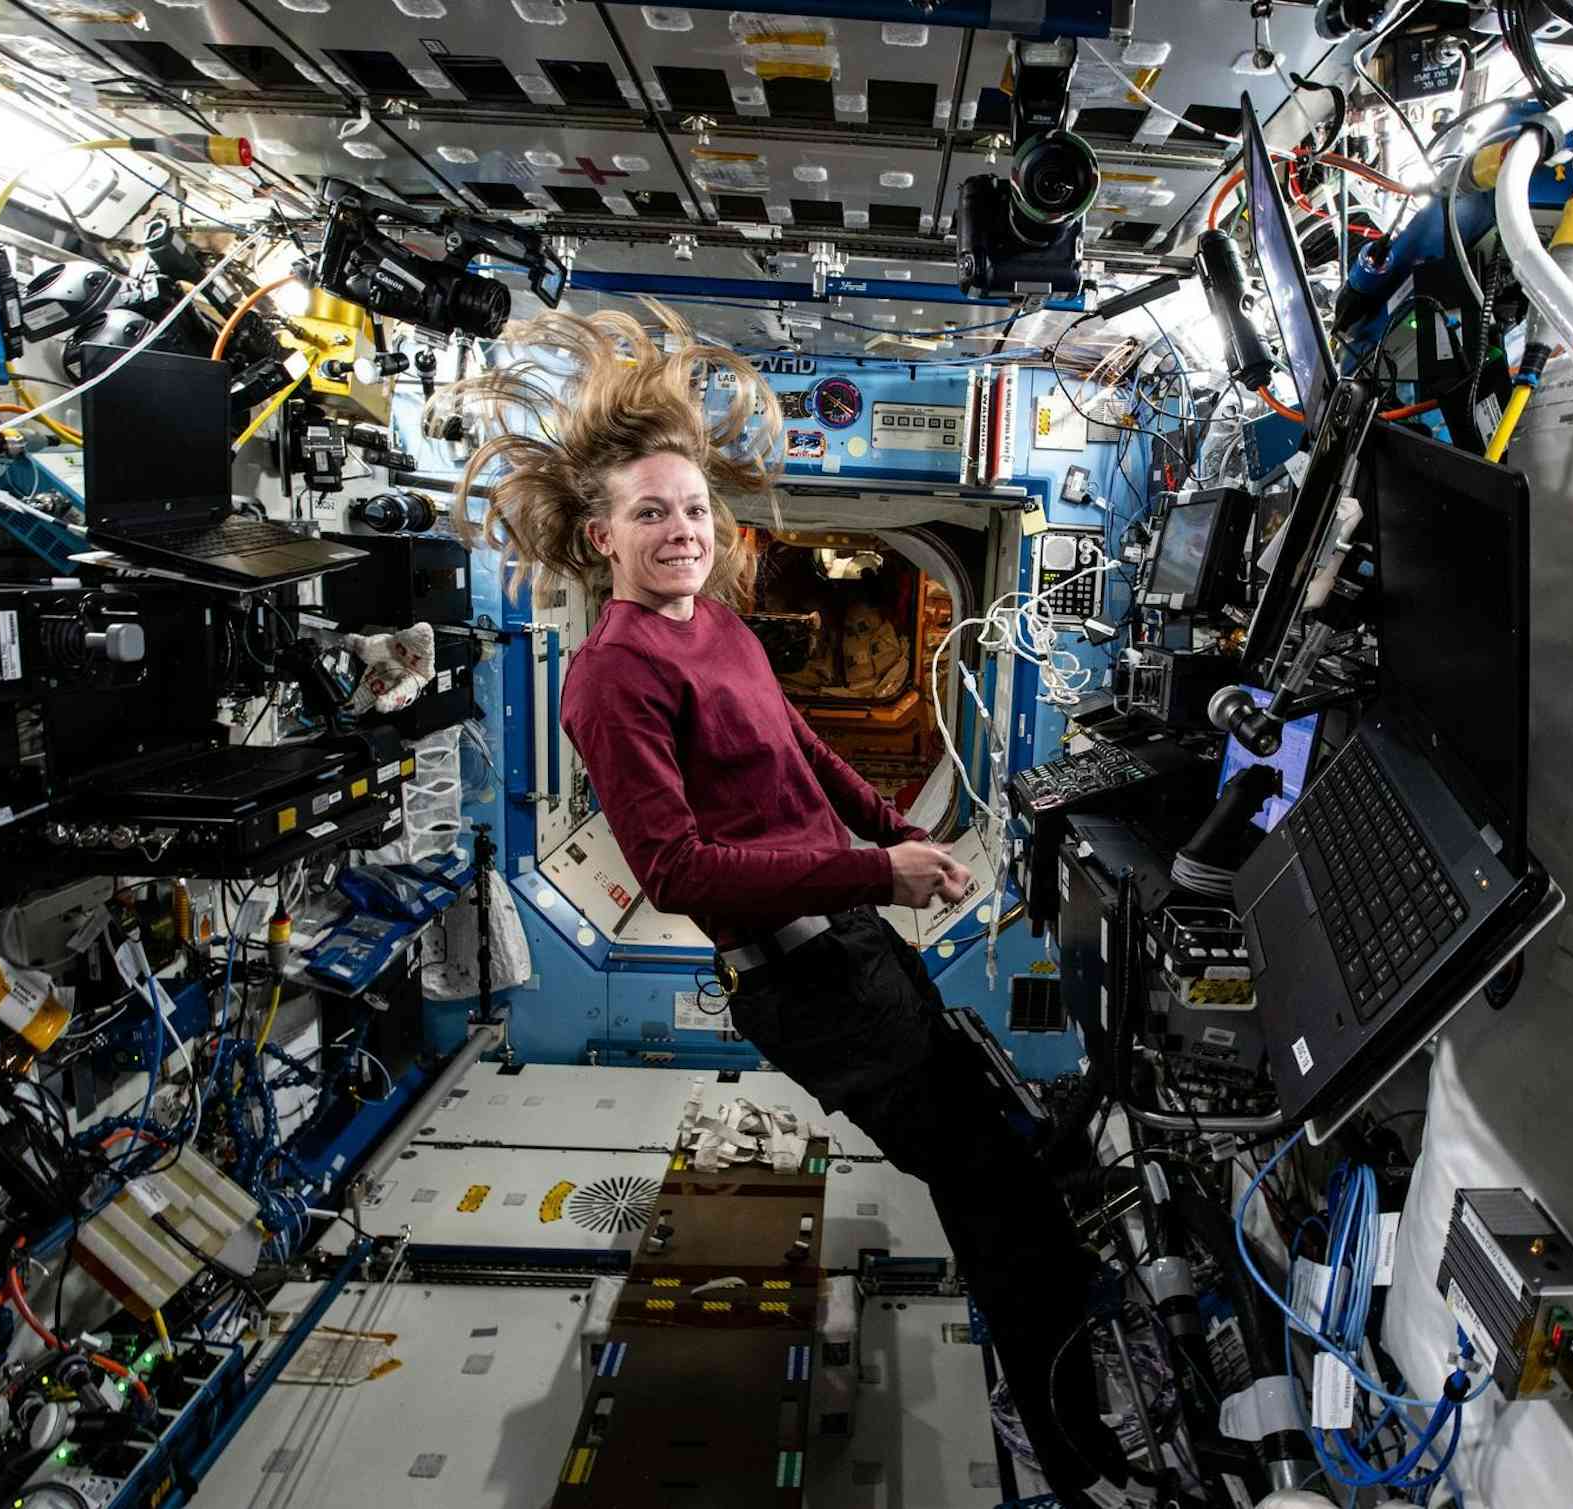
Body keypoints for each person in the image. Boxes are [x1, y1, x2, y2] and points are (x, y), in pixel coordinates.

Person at [450, 302, 1132, 1505]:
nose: (682, 531)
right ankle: (1075, 1456)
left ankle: (1060, 1387)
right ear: (600, 536)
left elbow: (795, 740)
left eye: (694, 509)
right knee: (1004, 1196)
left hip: (857, 945)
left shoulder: (712, 621)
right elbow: (678, 873)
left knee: (995, 1167)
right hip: (809, 986)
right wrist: (875, 873)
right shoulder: (611, 678)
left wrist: (891, 829)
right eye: (651, 514)